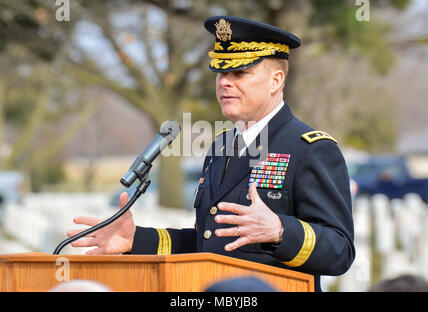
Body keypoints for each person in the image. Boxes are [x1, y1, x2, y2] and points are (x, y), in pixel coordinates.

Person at [67, 16, 355, 292]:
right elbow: (209, 243)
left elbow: (340, 250)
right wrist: (135, 239)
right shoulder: (221, 147)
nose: (224, 82)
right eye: (220, 72)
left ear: (276, 80)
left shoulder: (310, 149)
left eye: (239, 72)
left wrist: (280, 230)